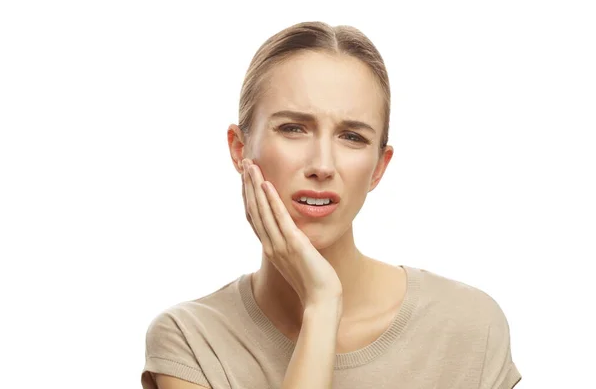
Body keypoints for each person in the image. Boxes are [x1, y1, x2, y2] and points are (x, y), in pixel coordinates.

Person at [141, 21, 522, 389]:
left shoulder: (468, 327)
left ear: (378, 168)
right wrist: (321, 306)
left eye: (352, 137)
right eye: (293, 128)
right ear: (240, 149)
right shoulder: (192, 341)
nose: (322, 165)